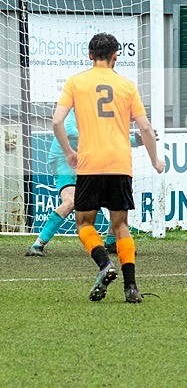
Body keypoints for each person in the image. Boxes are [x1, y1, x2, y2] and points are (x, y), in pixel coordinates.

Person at [53, 33, 164, 303]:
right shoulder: (127, 86)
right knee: (120, 225)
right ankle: (131, 287)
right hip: (119, 164)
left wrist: (69, 152)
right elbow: (145, 128)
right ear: (116, 56)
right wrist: (155, 160)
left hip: (90, 163)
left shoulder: (76, 82)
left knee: (84, 222)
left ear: (90, 56)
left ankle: (104, 264)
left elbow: (56, 121)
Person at [25, 110, 150, 256]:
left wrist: (137, 140)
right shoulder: (79, 107)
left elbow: (113, 138)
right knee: (71, 201)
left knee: (118, 196)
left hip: (90, 159)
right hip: (64, 158)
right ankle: (38, 244)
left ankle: (111, 242)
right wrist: (97, 139)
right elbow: (70, 131)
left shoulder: (105, 112)